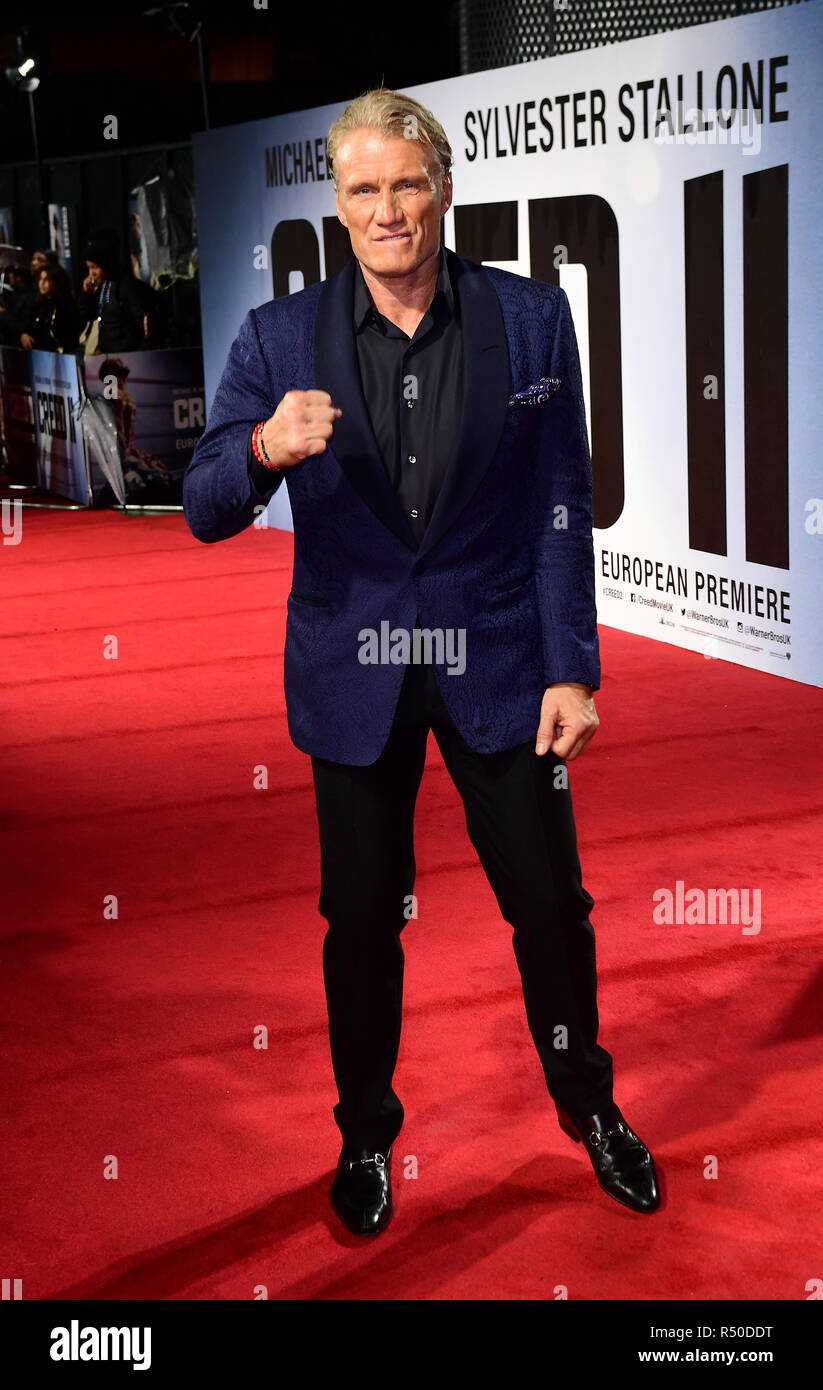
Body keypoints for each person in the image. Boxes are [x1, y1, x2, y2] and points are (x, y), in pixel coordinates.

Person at [183, 88, 660, 1236]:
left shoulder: (533, 320)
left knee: (550, 903)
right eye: (363, 190)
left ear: (443, 188)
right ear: (336, 207)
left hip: (499, 659)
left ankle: (588, 1107)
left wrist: (573, 666)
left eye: (407, 183)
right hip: (355, 674)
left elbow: (560, 500)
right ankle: (363, 1134)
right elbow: (203, 506)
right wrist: (260, 446)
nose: (388, 209)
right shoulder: (275, 340)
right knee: (359, 920)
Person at [79, 239, 155, 354]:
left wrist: (141, 355)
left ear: (105, 264)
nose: (91, 274)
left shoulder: (128, 287)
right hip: (111, 357)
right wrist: (86, 294)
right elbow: (90, 315)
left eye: (94, 267)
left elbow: (146, 325)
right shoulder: (104, 286)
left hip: (130, 358)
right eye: (89, 268)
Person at [22, 263, 81, 354]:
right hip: (37, 355)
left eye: (47, 279)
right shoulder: (37, 304)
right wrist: (24, 334)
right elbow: (27, 326)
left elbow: (69, 337)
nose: (42, 283)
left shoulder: (67, 306)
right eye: (40, 279)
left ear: (57, 282)